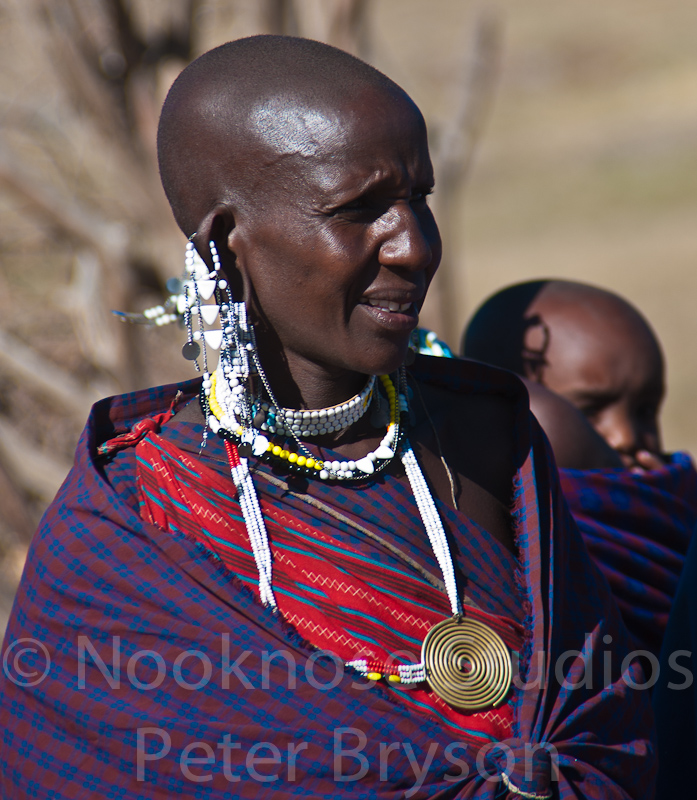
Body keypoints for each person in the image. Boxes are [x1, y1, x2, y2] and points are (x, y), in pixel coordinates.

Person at [0, 38, 654, 798]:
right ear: (225, 245)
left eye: (419, 198)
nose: (414, 246)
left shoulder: (484, 434)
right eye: (359, 210)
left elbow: (610, 720)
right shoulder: (135, 523)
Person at [462, 279, 697, 660]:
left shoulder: (672, 512)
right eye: (589, 412)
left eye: (645, 410)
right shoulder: (502, 539)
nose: (626, 437)